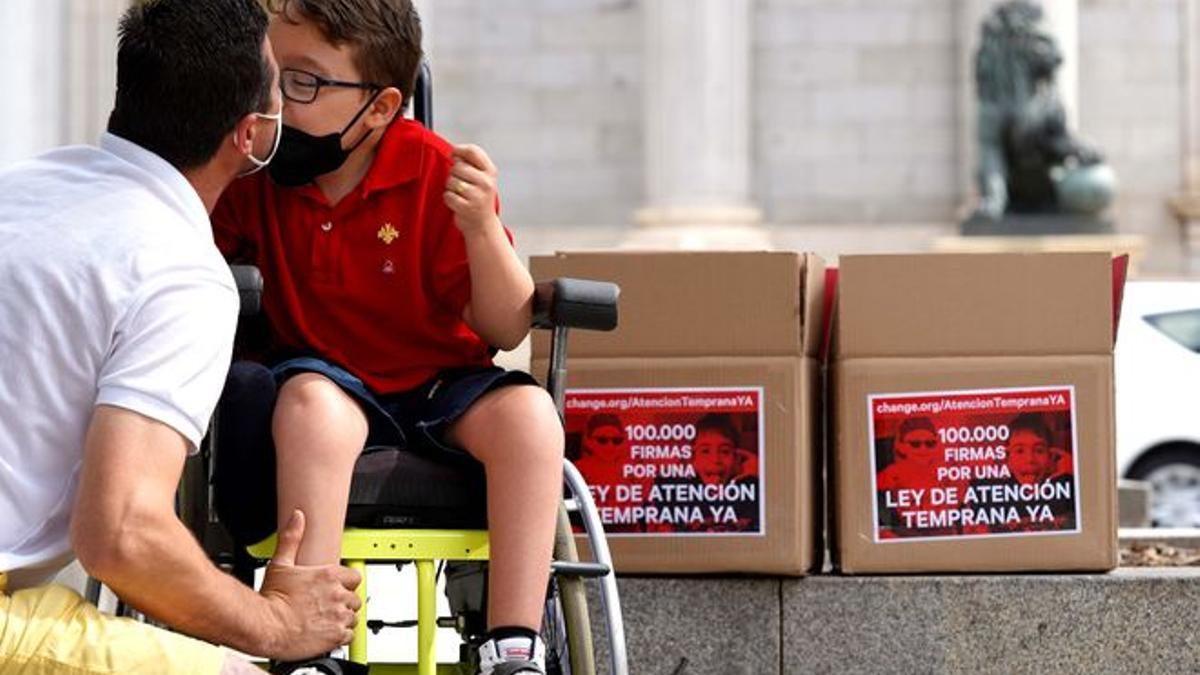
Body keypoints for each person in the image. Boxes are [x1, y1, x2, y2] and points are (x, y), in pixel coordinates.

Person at [0, 1, 363, 673]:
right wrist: (275, 621)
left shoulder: (21, 187)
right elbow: (120, 534)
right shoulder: (180, 271)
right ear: (250, 134)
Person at [210, 1, 563, 672]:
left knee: (529, 415)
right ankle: (305, 635)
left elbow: (507, 325)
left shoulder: (433, 170)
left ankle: (514, 645)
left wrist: (482, 230)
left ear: (378, 107)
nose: (279, 100)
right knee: (311, 402)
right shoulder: (255, 175)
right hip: (325, 380)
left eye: (304, 82)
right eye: (272, 75)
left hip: (438, 383)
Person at [574, 414, 643, 533]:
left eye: (616, 441)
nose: (610, 446)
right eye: (602, 440)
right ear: (589, 441)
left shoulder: (634, 471)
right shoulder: (575, 471)